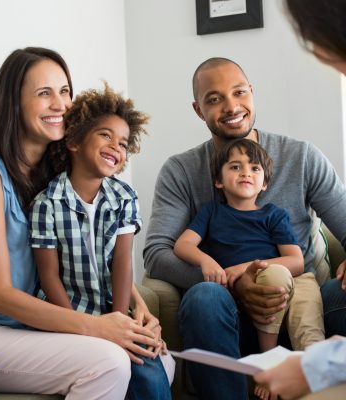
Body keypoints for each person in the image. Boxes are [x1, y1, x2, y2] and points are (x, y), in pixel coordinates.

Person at [0, 46, 166, 399]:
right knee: (109, 361)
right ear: (14, 103)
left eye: (65, 91)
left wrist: (135, 311)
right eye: (43, 93)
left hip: (33, 326)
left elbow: (95, 252)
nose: (61, 104)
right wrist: (96, 328)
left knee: (156, 361)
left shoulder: (58, 173)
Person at [143, 55, 346, 399]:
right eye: (214, 99)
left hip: (299, 299)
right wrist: (233, 282)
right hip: (225, 311)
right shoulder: (181, 171)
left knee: (339, 291)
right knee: (205, 297)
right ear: (198, 110)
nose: (231, 106)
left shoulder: (301, 157)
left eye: (239, 92)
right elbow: (157, 253)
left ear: (252, 93)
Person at [28, 83, 174, 399]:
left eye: (122, 143)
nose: (115, 146)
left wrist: (120, 323)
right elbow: (48, 276)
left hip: (111, 310)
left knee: (147, 359)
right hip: (64, 313)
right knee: (136, 365)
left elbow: (122, 264)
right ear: (75, 140)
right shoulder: (47, 203)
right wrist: (78, 327)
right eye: (105, 135)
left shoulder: (124, 198)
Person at [174, 138, 324, 399]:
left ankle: (292, 373)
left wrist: (243, 268)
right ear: (218, 181)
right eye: (235, 167)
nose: (245, 172)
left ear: (265, 183)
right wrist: (206, 261)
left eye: (255, 168)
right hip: (237, 303)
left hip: (282, 284)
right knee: (260, 279)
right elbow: (183, 245)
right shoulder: (211, 213)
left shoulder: (273, 214)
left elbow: (296, 261)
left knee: (281, 285)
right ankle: (267, 367)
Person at [253, 1, 346, 399]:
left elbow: (296, 257)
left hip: (300, 279)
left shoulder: (299, 162)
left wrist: (318, 365)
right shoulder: (202, 198)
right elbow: (163, 252)